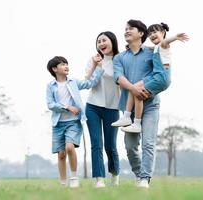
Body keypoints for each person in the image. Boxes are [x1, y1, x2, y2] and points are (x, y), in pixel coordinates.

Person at [112, 23, 189, 133]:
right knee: (134, 88)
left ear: (163, 33)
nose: (152, 35)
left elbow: (165, 42)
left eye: (155, 32)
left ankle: (137, 123)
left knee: (138, 94)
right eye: (150, 33)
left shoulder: (163, 45)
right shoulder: (156, 48)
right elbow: (152, 47)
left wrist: (175, 38)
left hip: (161, 77)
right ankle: (126, 117)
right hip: (155, 76)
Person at [113, 19, 163, 188]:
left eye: (130, 29)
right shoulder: (119, 57)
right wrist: (134, 90)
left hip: (150, 105)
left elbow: (160, 75)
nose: (126, 31)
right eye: (125, 29)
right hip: (129, 108)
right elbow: (119, 78)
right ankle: (138, 174)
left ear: (141, 33)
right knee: (130, 146)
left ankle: (144, 179)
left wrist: (148, 90)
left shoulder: (153, 52)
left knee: (148, 143)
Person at [46, 56, 104, 188]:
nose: (66, 66)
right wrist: (67, 107)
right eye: (62, 64)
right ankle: (62, 183)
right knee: (61, 155)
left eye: (66, 63)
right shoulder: (50, 86)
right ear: (54, 69)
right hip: (58, 124)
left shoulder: (73, 82)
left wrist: (99, 68)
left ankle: (73, 177)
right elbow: (50, 104)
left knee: (69, 147)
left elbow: (89, 83)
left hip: (73, 122)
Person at [85, 31, 121, 188]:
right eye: (98, 41)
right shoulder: (93, 59)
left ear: (112, 41)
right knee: (96, 144)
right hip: (93, 106)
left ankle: (115, 174)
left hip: (112, 108)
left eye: (104, 40)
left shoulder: (120, 60)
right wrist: (95, 65)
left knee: (110, 145)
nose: (101, 44)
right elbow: (88, 79)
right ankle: (99, 179)